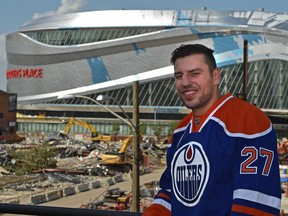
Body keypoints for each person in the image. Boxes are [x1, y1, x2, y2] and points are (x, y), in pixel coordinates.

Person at [143, 44, 281, 215]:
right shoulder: (180, 132)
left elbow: (254, 203)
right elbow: (170, 193)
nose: (185, 82)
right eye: (179, 75)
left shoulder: (246, 118)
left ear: (216, 76)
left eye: (195, 73)